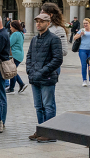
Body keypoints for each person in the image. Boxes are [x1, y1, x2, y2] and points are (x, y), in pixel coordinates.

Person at [26, 13, 63, 142]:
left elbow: (57, 59)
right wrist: (29, 70)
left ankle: (50, 133)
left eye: (42, 22)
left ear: (48, 23)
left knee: (48, 105)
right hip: (35, 78)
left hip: (47, 78)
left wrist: (42, 72)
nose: (38, 24)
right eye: (37, 21)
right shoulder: (34, 39)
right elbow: (29, 56)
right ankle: (41, 129)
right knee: (38, 106)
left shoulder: (54, 39)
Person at [72, 17, 90, 86]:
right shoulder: (81, 30)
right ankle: (84, 80)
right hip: (82, 49)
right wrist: (80, 35)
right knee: (84, 65)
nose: (85, 25)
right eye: (84, 23)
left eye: (86, 23)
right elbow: (74, 38)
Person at [6, 20, 26, 94]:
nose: (10, 28)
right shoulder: (21, 33)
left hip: (15, 55)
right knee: (13, 71)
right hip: (20, 55)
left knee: (12, 72)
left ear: (14, 27)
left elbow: (9, 44)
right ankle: (18, 85)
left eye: (11, 27)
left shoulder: (15, 34)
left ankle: (14, 87)